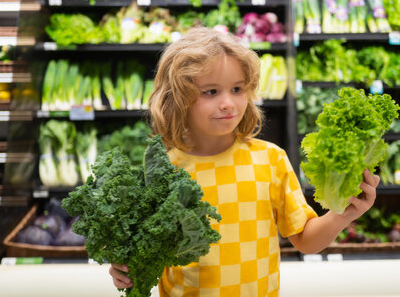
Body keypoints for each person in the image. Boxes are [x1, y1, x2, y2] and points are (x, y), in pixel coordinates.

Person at [109, 27, 380, 296]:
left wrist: (343, 214)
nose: (228, 103)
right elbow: (146, 251)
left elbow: (306, 240)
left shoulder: (270, 160)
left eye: (237, 89)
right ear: (178, 99)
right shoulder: (163, 169)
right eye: (211, 92)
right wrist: (126, 268)